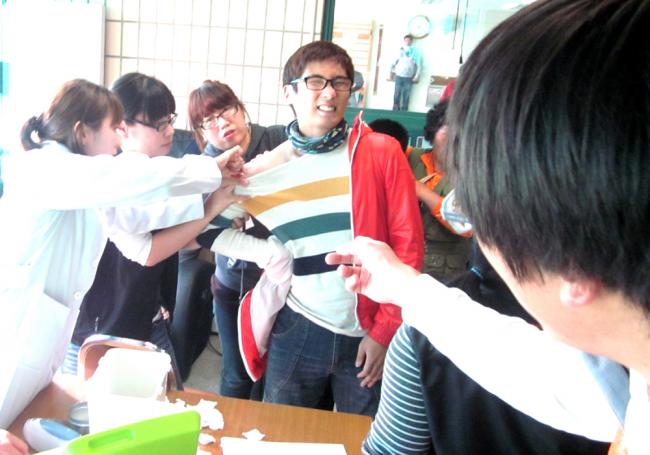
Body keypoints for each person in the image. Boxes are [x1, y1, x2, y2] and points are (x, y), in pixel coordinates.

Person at [327, 0, 649, 452]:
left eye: (484, 217)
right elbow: (555, 378)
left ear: (571, 268)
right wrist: (405, 287)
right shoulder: (631, 383)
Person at [0, 79, 243, 428]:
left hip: (48, 339)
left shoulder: (91, 185)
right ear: (83, 132)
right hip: (21, 335)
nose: (119, 139)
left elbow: (143, 215)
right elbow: (130, 183)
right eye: (114, 128)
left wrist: (212, 197)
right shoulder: (44, 168)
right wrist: (212, 170)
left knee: (28, 423)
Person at [210, 40, 423, 417]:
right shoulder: (269, 168)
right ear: (289, 92)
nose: (329, 92)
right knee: (283, 433)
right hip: (299, 325)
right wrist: (269, 254)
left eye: (340, 82)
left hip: (367, 328)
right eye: (315, 81)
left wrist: (384, 331)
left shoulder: (380, 152)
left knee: (361, 436)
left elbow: (408, 247)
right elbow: (208, 227)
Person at [64, 73, 241, 382]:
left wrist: (218, 212)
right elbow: (148, 251)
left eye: (170, 119)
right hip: (97, 334)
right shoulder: (109, 182)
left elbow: (179, 239)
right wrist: (213, 205)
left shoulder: (166, 173)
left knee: (166, 402)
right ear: (122, 126)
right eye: (159, 124)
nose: (170, 130)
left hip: (149, 321)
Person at [187, 80, 287, 399]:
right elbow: (196, 233)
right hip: (234, 285)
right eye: (209, 120)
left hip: (287, 285)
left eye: (226, 110)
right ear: (202, 132)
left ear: (240, 109)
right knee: (237, 373)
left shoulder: (277, 138)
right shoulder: (205, 168)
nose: (222, 123)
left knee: (276, 374)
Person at [410, 98, 471, 280]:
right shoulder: (410, 156)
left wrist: (420, 190)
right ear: (434, 130)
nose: (455, 137)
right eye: (449, 127)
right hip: (404, 262)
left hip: (446, 274)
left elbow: (465, 225)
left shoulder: (471, 176)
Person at [390, 34, 421, 111]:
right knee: (397, 94)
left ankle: (404, 110)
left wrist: (416, 76)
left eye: (409, 40)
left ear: (411, 41)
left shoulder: (415, 52)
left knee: (406, 95)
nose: (407, 42)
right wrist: (391, 74)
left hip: (408, 77)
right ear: (404, 41)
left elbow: (419, 65)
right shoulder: (399, 50)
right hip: (399, 76)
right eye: (406, 40)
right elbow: (393, 63)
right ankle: (395, 110)